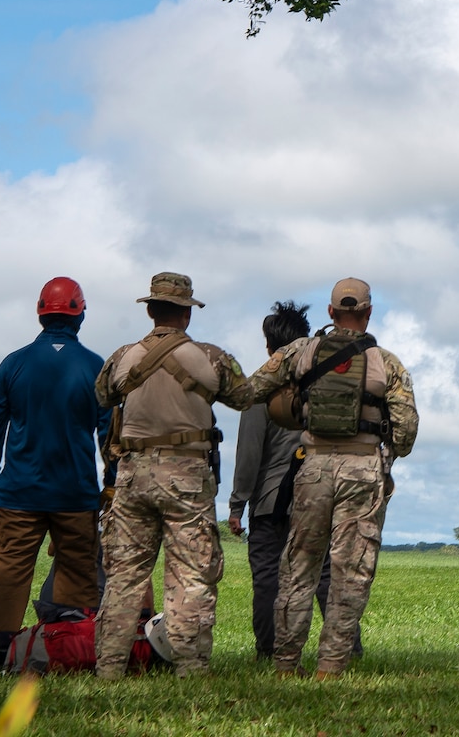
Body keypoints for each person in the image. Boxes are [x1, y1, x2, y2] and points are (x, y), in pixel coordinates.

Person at [248, 277, 418, 678]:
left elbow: (251, 390)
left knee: (298, 567)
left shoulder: (300, 351)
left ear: (329, 312)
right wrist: (384, 451)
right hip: (363, 469)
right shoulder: (387, 362)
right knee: (350, 572)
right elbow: (407, 432)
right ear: (368, 312)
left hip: (313, 466)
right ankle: (331, 665)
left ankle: (286, 663)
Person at [94, 272, 252, 679]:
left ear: (149, 310)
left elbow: (101, 395)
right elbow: (245, 396)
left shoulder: (122, 357)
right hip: (186, 477)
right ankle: (189, 667)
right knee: (191, 573)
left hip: (132, 475)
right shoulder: (212, 358)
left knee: (125, 574)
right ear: (187, 313)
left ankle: (109, 666)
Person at [0, 277, 111, 669]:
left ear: (40, 313)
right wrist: (112, 484)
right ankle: (64, 648)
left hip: (18, 493)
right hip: (76, 494)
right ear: (80, 314)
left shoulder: (13, 364)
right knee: (77, 570)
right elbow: (109, 435)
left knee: (9, 571)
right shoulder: (95, 367)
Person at [227, 301, 359, 662]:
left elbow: (249, 454)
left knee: (269, 578)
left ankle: (269, 650)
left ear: (271, 347)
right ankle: (347, 649)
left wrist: (237, 504)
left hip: (270, 501)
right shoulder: (327, 380)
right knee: (327, 576)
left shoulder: (261, 386)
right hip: (321, 492)